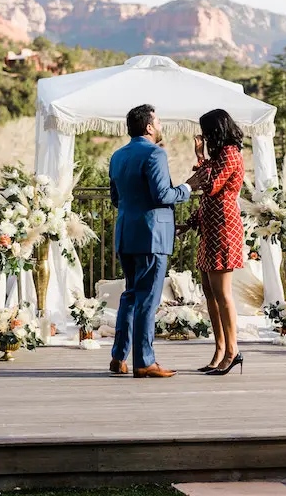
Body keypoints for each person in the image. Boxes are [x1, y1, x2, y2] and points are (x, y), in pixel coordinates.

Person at [108, 104, 206, 379]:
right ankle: (144, 361)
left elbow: (116, 199)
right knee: (148, 300)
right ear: (149, 127)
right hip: (151, 236)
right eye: (159, 122)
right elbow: (163, 194)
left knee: (130, 296)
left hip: (126, 233)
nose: (161, 127)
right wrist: (188, 187)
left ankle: (118, 356)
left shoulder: (117, 156)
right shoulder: (155, 153)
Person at [180, 109, 246, 376]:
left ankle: (233, 351)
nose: (204, 136)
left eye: (206, 132)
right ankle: (219, 349)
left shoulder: (230, 153)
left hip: (224, 229)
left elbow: (210, 186)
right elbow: (208, 200)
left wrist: (199, 158)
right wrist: (190, 222)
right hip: (210, 227)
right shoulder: (220, 155)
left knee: (223, 294)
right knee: (209, 291)